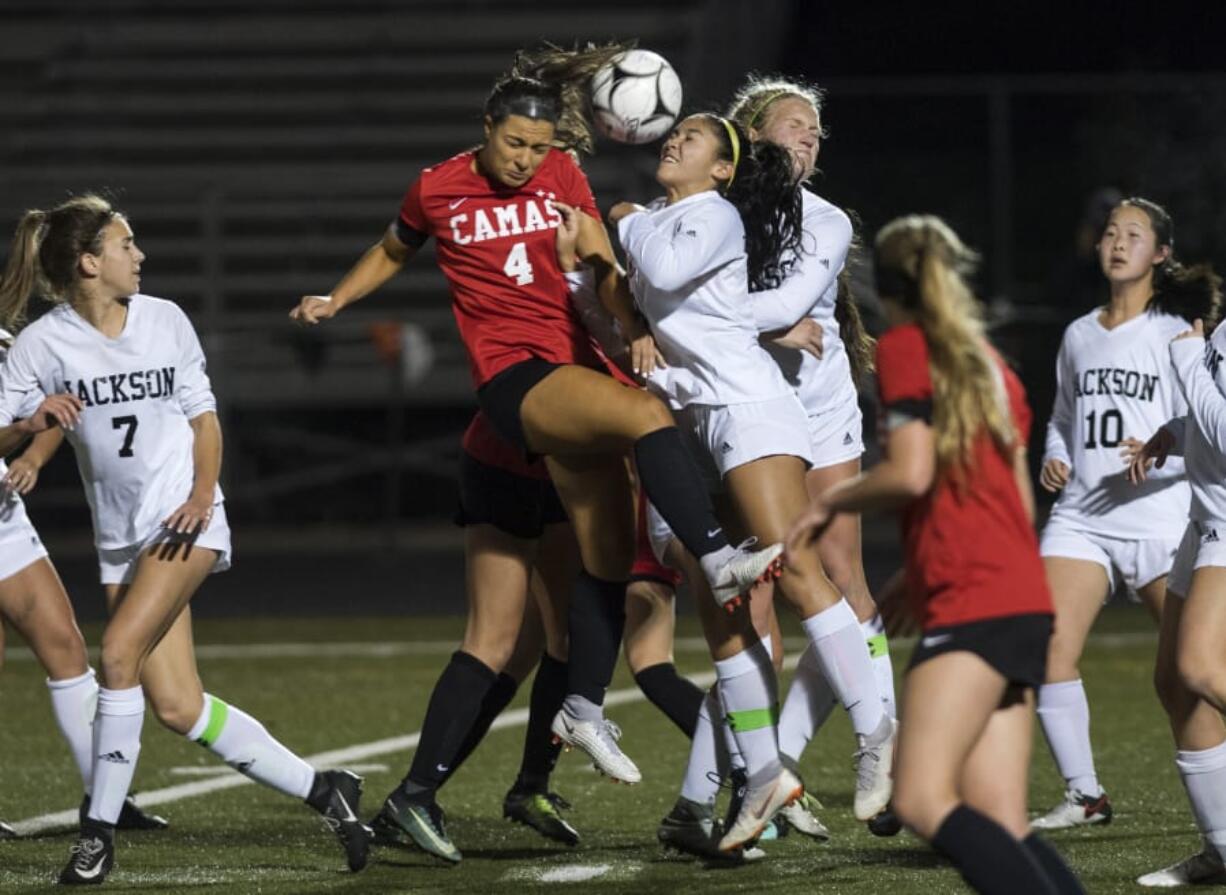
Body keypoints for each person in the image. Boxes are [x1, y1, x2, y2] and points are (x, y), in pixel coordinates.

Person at [291, 49, 783, 850]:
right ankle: (718, 555)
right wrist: (336, 297)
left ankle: (562, 734)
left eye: (539, 145)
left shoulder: (563, 175)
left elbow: (602, 263)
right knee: (646, 420)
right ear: (487, 130)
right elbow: (395, 244)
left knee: (604, 570)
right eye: (514, 144)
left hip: (570, 376)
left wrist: (634, 327)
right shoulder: (438, 185)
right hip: (517, 381)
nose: (526, 160)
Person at [0, 195, 372, 885]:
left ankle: (96, 836)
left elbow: (204, 419)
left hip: (183, 517)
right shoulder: (39, 344)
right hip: (120, 538)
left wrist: (204, 496)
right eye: (125, 244)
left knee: (114, 655)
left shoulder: (165, 319)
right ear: (89, 262)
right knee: (176, 704)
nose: (139, 255)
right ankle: (328, 789)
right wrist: (29, 427)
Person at [610, 112, 892, 853]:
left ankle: (877, 728)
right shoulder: (672, 218)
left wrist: (624, 222)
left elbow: (664, 274)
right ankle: (761, 771)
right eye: (673, 136)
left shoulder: (711, 219)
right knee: (728, 613)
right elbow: (642, 301)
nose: (673, 142)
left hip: (751, 412)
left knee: (801, 567)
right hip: (696, 421)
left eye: (694, 139)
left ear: (726, 169)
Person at [787, 215, 1083, 894]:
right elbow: (1014, 501)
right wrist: (921, 577)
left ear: (884, 284)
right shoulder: (991, 366)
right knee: (1002, 816)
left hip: (973, 599)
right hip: (1019, 597)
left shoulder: (905, 347)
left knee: (921, 797)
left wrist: (830, 503)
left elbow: (912, 472)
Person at [1032, 197, 1209, 830]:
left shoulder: (1178, 333)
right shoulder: (1078, 332)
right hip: (1082, 515)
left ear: (1161, 254)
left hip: (1161, 519)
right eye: (1110, 231)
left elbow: (1210, 435)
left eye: (1134, 234)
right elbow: (1060, 419)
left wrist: (1164, 454)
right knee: (1046, 646)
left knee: (1193, 674)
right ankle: (1085, 795)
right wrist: (1055, 455)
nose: (1117, 242)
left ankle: (1215, 808)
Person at [1122, 209, 1226, 887]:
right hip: (1204, 517)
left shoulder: (1202, 339)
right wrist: (1173, 428)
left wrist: (1187, 356)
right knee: (1173, 686)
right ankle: (1223, 847)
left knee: (1198, 666)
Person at [0, 421, 169, 837]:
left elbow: (60, 407)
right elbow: (36, 417)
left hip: (2, 516)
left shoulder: (20, 354)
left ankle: (106, 799)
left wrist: (33, 455)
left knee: (65, 646)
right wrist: (25, 426)